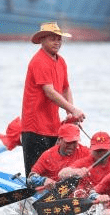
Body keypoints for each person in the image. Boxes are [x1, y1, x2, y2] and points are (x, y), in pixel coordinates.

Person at [21, 21, 84, 176]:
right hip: (34, 126)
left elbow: (65, 88)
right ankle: (32, 193)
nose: (57, 42)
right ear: (42, 40)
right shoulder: (39, 61)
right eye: (52, 38)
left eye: (59, 39)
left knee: (53, 169)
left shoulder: (61, 61)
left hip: (53, 125)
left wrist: (71, 113)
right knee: (35, 173)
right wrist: (73, 109)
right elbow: (49, 92)